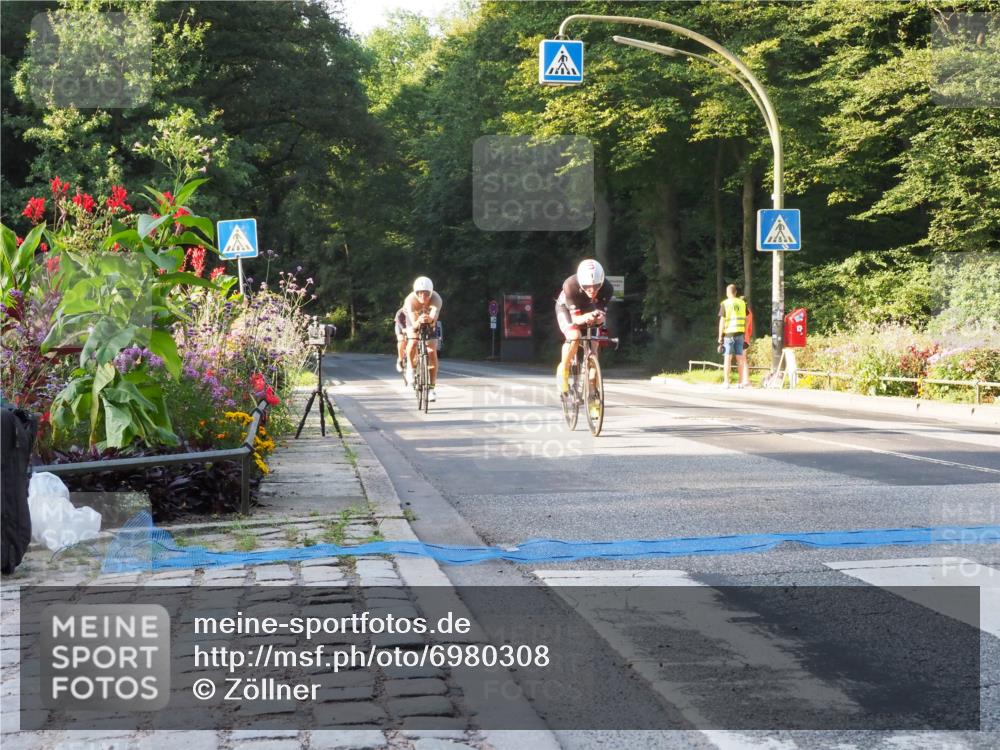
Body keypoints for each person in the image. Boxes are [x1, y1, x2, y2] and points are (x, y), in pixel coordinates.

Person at [555, 259, 614, 395]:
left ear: (602, 282)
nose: (592, 290)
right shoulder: (570, 285)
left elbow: (601, 314)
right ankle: (563, 369)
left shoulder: (607, 288)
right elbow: (575, 319)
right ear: (581, 283)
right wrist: (585, 318)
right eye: (587, 286)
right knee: (574, 336)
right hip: (567, 309)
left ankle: (593, 392)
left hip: (589, 310)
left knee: (594, 344)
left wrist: (600, 317)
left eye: (596, 286)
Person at [403, 276, 443, 402]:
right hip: (413, 319)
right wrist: (418, 321)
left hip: (429, 321)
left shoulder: (436, 299)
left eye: (426, 294)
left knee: (432, 351)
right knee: (413, 341)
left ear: (430, 293)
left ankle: (431, 389)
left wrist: (429, 319)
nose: (423, 297)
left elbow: (434, 316)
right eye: (419, 293)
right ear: (415, 293)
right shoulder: (410, 300)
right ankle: (411, 367)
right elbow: (413, 323)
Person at [718, 283, 751, 389]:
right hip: (740, 334)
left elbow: (722, 321)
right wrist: (745, 332)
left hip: (729, 334)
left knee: (727, 357)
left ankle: (726, 382)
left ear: (727, 293)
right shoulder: (742, 303)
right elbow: (746, 319)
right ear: (736, 292)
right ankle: (740, 383)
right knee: (740, 358)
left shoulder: (725, 303)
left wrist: (720, 337)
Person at [393, 307, 408, 374]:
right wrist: (403, 329)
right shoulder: (400, 312)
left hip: (411, 327)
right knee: (401, 339)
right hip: (400, 326)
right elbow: (399, 323)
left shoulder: (417, 310)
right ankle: (400, 359)